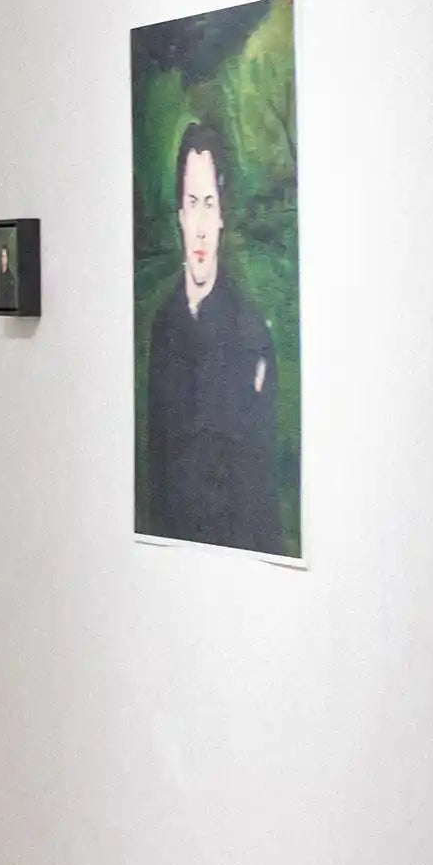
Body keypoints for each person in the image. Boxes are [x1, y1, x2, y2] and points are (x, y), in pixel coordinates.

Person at [142, 121, 284, 552]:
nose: (201, 226)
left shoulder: (250, 337)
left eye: (209, 204)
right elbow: (156, 473)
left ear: (222, 216)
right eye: (192, 204)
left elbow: (261, 502)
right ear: (180, 216)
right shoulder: (164, 327)